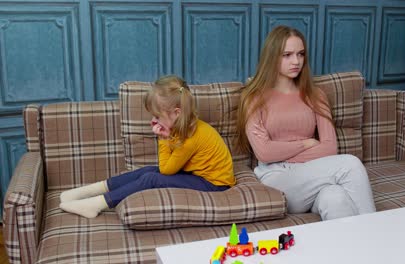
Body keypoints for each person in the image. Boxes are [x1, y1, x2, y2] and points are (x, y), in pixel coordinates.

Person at [236, 25, 375, 220]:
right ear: (272, 57)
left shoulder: (315, 95)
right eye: (287, 55)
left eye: (300, 54)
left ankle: (355, 248)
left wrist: (282, 151)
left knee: (335, 197)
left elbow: (329, 148)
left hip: (313, 176)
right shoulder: (254, 98)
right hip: (277, 178)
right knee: (350, 164)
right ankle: (376, 228)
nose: (296, 61)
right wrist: (306, 143)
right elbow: (264, 153)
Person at [60, 75, 236, 218]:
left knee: (152, 178)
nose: (154, 121)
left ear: (177, 113)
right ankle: (85, 192)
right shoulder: (183, 126)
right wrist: (167, 137)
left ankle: (97, 204)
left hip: (214, 184)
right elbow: (167, 166)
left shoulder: (190, 138)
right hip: (198, 174)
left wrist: (162, 139)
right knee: (148, 170)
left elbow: (166, 170)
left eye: (157, 116)